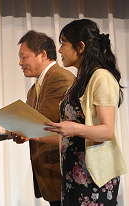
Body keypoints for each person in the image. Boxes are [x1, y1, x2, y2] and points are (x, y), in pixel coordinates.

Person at [0, 30, 75, 205]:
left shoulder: (60, 78)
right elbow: (26, 126)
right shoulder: (33, 90)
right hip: (52, 177)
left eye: (24, 57)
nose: (20, 63)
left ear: (42, 55)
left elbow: (40, 121)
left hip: (67, 173)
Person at [43, 19, 127, 205]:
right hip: (74, 172)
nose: (59, 50)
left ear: (80, 47)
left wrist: (74, 129)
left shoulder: (101, 77)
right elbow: (67, 131)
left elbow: (107, 131)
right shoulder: (80, 80)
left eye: (63, 43)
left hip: (93, 176)